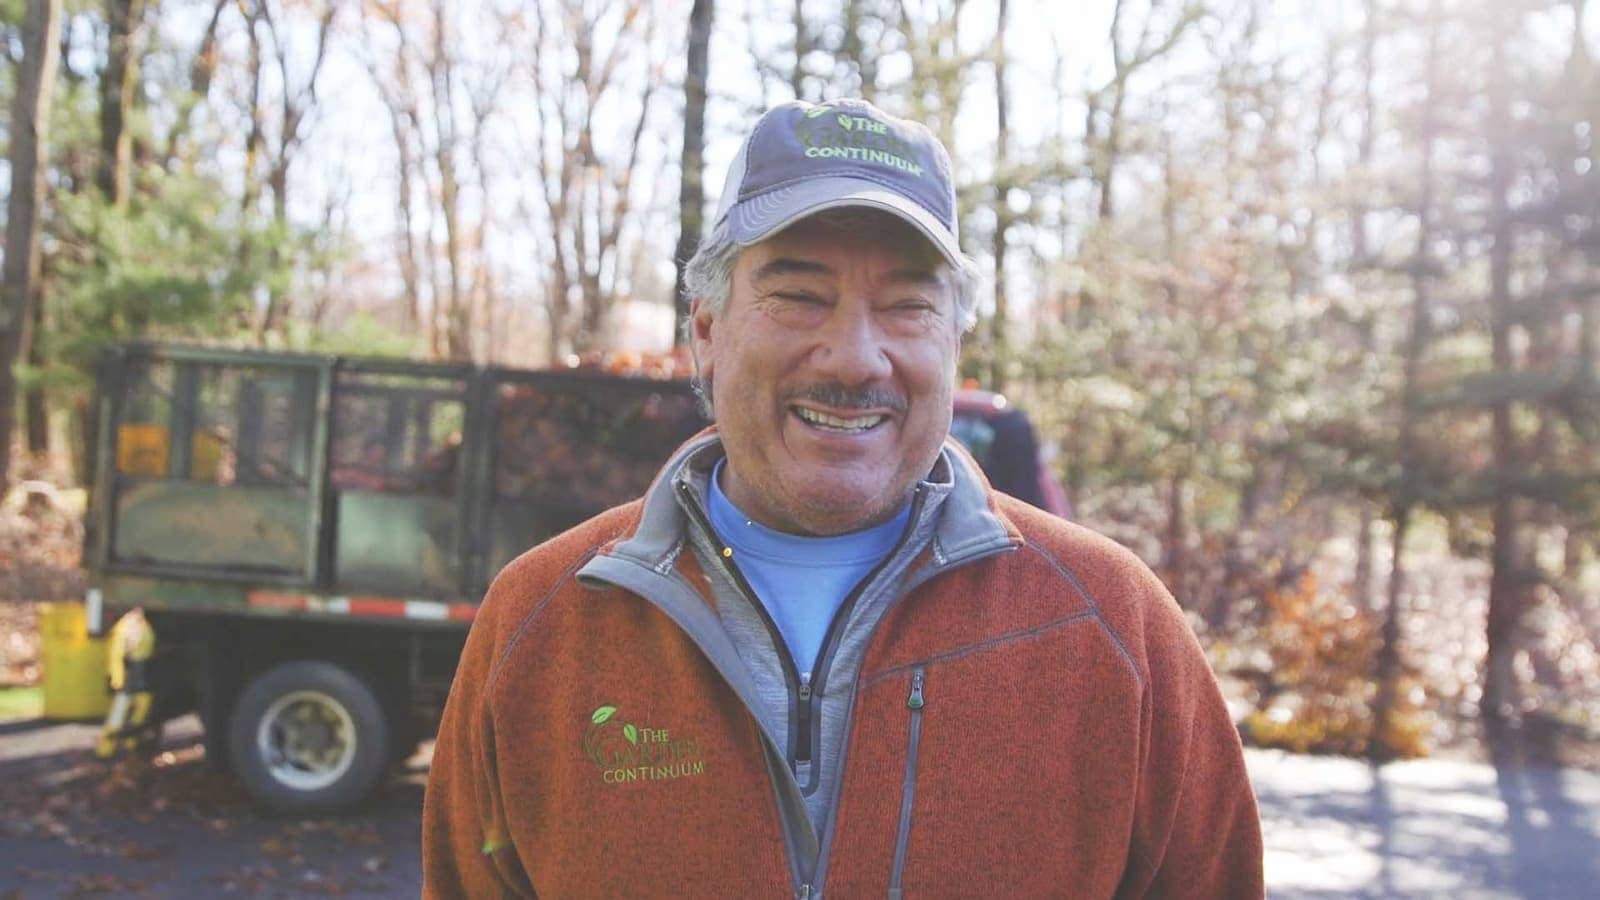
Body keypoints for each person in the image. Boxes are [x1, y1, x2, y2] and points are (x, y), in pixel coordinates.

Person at [423, 98, 1262, 898]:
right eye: (798, 295)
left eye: (907, 306)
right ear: (707, 330)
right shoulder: (542, 621)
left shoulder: (1110, 626)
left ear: (955, 341)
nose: (856, 358)